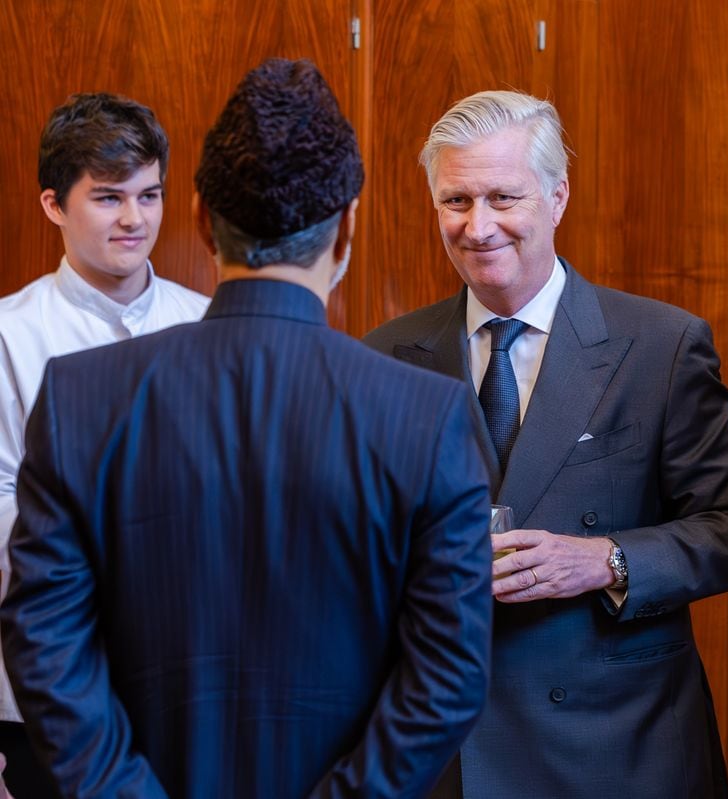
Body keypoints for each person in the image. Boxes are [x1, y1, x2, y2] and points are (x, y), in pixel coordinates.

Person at [1, 59, 493, 798]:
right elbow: (448, 675)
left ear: (198, 216)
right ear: (348, 226)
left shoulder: (80, 398)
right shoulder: (428, 414)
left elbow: (44, 646)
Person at [364, 90, 728, 798]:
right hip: (447, 753)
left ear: (557, 198)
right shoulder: (385, 356)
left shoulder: (661, 345)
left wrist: (605, 558)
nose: (478, 225)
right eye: (455, 201)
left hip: (618, 749)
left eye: (503, 197)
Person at [0, 91, 208, 797]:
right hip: (51, 686)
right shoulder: (9, 335)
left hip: (191, 683)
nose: (134, 219)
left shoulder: (209, 325)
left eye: (149, 195)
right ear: (54, 204)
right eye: (109, 197)